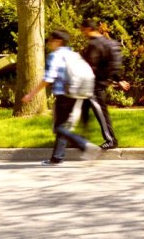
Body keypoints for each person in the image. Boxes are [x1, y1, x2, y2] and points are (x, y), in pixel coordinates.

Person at [22, 29, 101, 165]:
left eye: (51, 40)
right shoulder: (73, 54)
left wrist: (31, 94)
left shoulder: (55, 56)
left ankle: (86, 146)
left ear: (58, 41)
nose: (49, 43)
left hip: (64, 94)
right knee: (63, 126)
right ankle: (57, 158)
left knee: (59, 127)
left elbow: (49, 78)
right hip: (78, 93)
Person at [78, 19, 128, 150]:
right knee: (84, 111)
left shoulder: (94, 45)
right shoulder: (109, 43)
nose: (82, 32)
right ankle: (80, 139)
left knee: (100, 112)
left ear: (88, 29)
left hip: (95, 84)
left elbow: (90, 65)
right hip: (97, 83)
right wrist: (118, 79)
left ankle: (111, 140)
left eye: (82, 30)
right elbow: (115, 62)